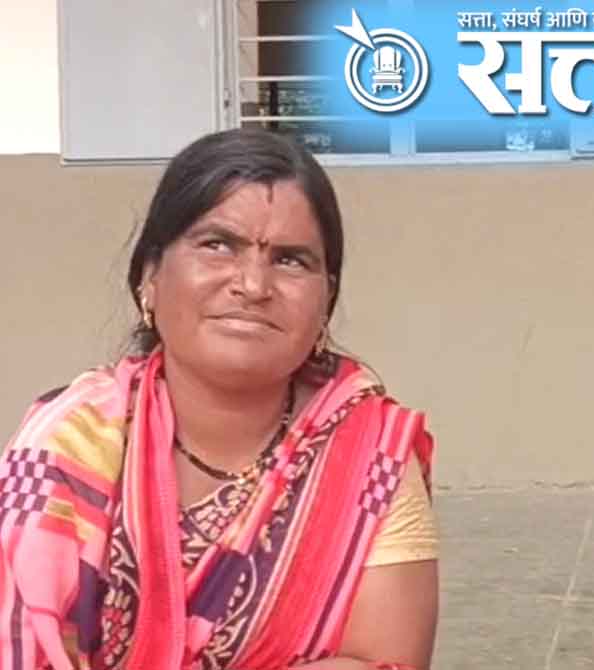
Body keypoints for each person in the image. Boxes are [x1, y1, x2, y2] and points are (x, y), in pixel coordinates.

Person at [0, 129, 438, 669]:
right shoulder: (66, 442)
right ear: (150, 278)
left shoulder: (370, 453)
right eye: (217, 245)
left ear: (326, 301)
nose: (253, 285)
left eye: (291, 260)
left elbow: (383, 662)